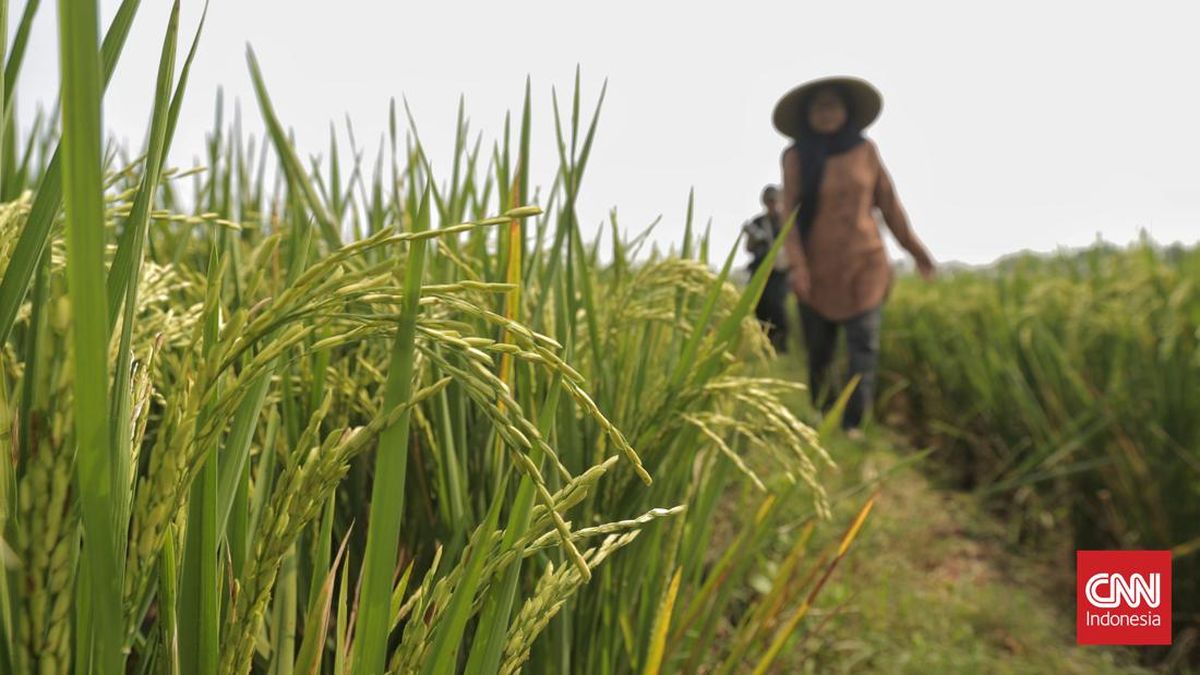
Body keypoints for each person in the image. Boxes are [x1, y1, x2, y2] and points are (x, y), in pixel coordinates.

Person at [772, 75, 936, 435]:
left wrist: (918, 252)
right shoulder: (797, 156)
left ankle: (853, 424)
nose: (826, 112)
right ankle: (822, 411)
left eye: (833, 104)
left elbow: (890, 207)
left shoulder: (866, 151)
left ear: (847, 111)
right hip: (817, 268)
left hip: (865, 263)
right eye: (818, 106)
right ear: (807, 115)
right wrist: (798, 266)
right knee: (820, 350)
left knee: (864, 347)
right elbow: (790, 218)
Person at [742, 185, 790, 352]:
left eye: (774, 200)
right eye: (769, 201)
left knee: (778, 307)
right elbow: (748, 248)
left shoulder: (785, 221)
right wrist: (754, 239)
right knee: (760, 307)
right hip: (761, 271)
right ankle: (763, 345)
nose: (772, 204)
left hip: (780, 273)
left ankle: (781, 346)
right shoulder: (758, 223)